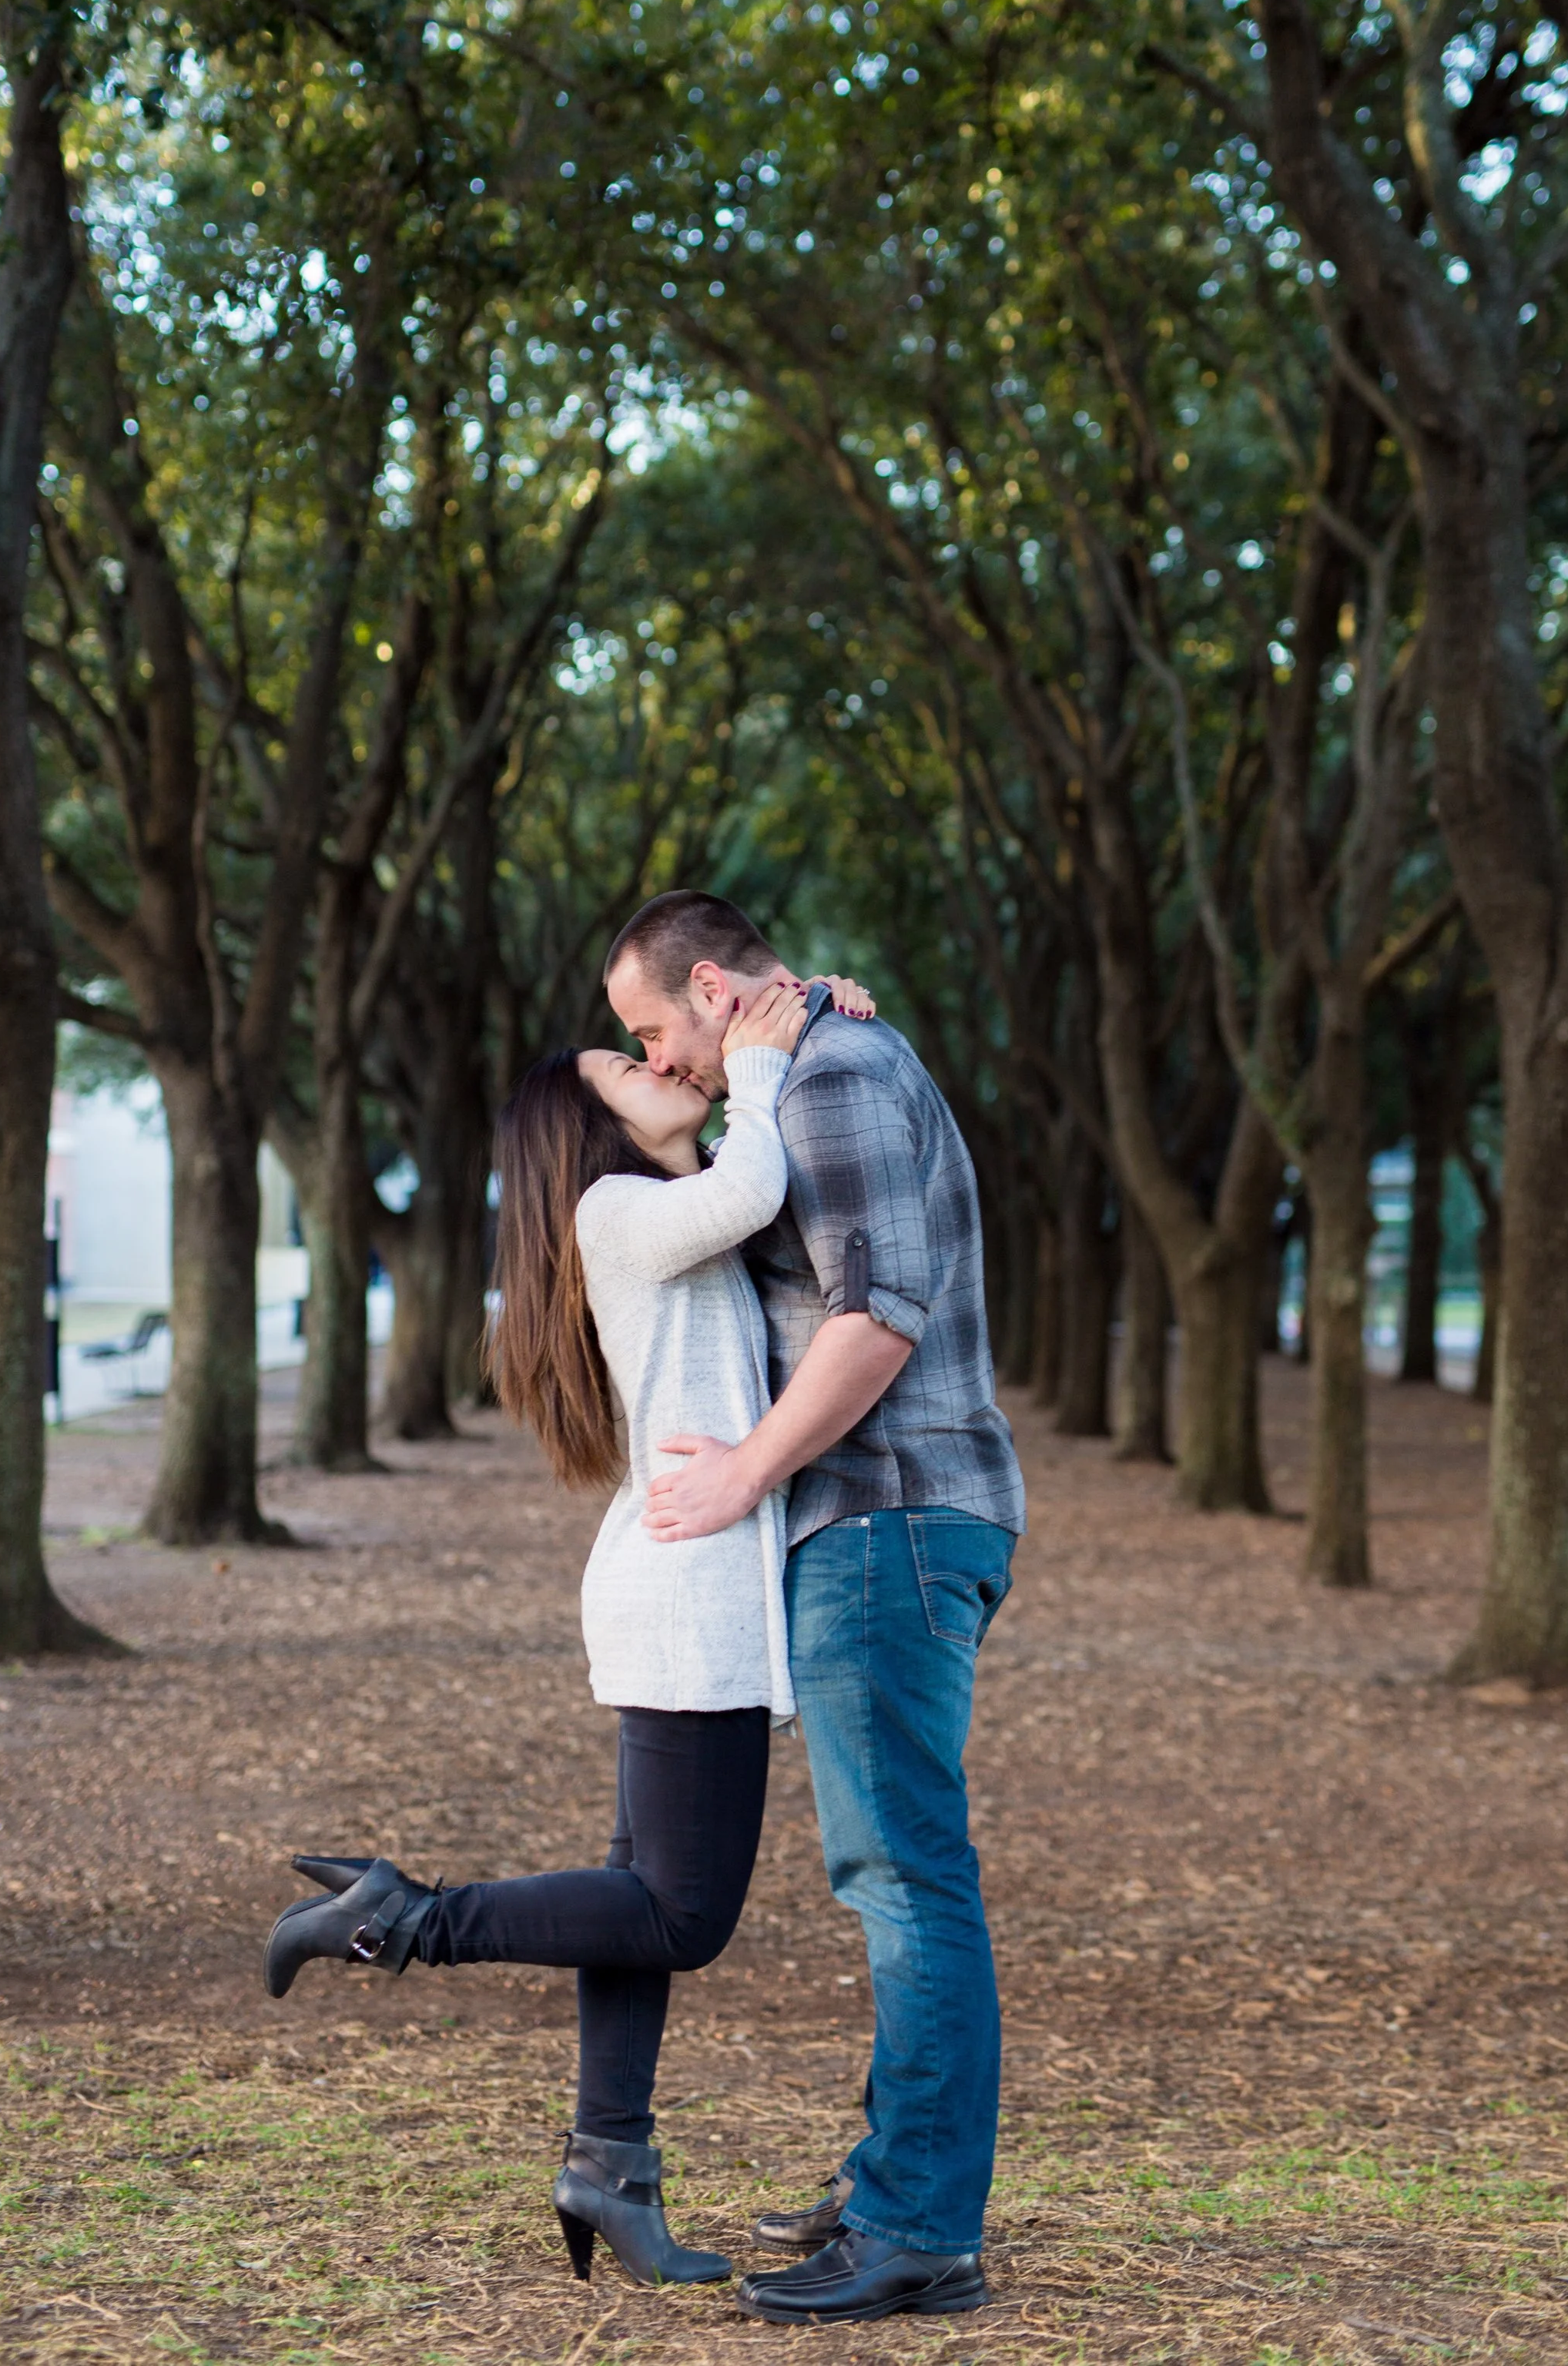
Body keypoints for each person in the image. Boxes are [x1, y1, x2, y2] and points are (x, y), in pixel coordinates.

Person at [260, 968, 874, 2288]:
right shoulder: (614, 1208)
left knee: (634, 1902)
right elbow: (757, 1186)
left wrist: (818, 1000)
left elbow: (749, 1183)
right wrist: (767, 1057)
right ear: (588, 1130)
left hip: (679, 1572)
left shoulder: (649, 1212)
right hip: (685, 1582)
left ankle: (609, 2168)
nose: (666, 1067)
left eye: (659, 1050)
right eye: (632, 1065)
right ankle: (403, 1917)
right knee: (681, 1911)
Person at [604, 889, 1024, 2326]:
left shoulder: (840, 1071)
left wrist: (743, 1471)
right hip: (891, 1521)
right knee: (898, 1871)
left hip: (887, 1515)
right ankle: (894, 2183)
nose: (657, 1062)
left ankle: (918, 2228)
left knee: (906, 1876)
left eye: (654, 1029)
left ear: (714, 987)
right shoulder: (822, 1061)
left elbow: (880, 1311)